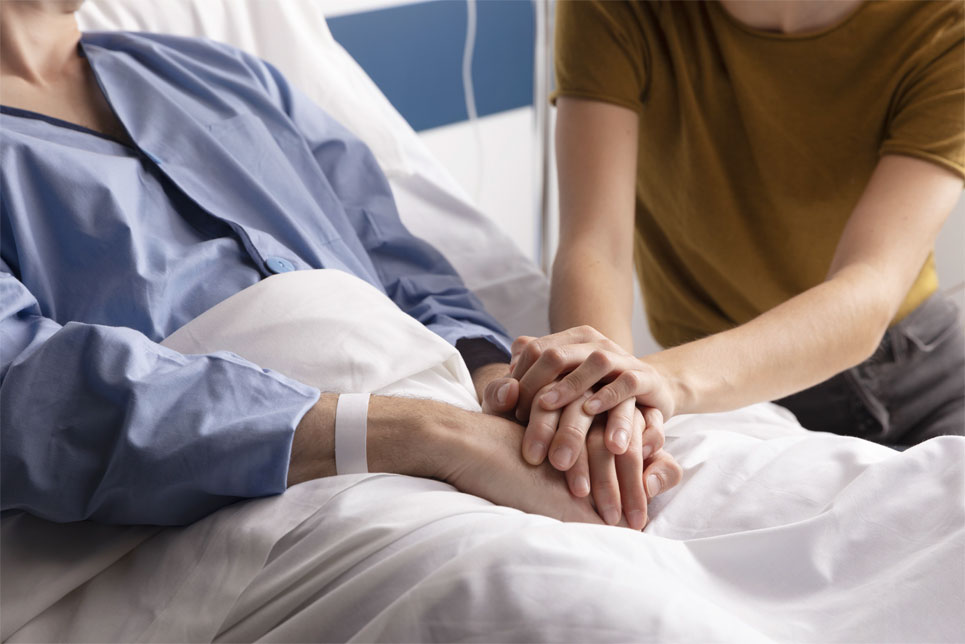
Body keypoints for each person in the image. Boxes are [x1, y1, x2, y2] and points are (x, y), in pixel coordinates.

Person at [0, 1, 681, 529]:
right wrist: (425, 435)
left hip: (452, 406)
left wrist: (510, 389)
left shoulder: (229, 79)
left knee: (768, 512)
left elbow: (402, 265)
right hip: (252, 493)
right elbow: (32, 395)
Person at [508, 0, 964, 454]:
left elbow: (869, 286)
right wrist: (599, 396)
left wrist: (651, 380)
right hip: (723, 398)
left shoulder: (946, 23)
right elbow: (595, 244)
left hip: (916, 381)